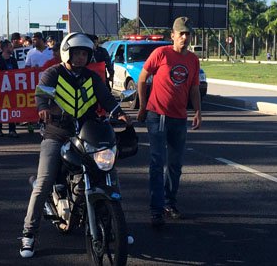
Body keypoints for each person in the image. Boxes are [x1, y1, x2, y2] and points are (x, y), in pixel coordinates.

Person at [20, 32, 130, 258]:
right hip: (57, 133)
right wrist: (43, 107)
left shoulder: (91, 77)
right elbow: (41, 93)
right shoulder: (53, 73)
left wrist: (118, 113)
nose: (80, 58)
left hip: (86, 131)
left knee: (108, 171)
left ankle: (117, 227)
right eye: (76, 53)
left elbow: (106, 98)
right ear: (66, 53)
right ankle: (28, 234)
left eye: (84, 54)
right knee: (43, 182)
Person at [136, 16, 202, 227]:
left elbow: (193, 88)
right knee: (157, 162)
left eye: (187, 34)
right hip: (158, 116)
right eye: (181, 33)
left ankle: (169, 203)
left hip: (179, 118)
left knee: (175, 165)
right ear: (172, 35)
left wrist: (198, 111)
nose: (184, 37)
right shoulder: (161, 53)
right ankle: (156, 210)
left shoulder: (193, 59)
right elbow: (143, 78)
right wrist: (143, 106)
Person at [0, 40, 20, 137]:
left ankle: (12, 130)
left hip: (12, 89)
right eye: (10, 47)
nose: (12, 48)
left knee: (12, 108)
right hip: (0, 89)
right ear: (4, 48)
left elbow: (17, 73)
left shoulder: (13, 60)